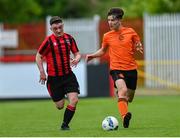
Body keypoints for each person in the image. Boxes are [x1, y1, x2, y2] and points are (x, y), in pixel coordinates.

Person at [86, 8, 143, 128]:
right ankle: (124, 117)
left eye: (113, 20)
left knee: (129, 97)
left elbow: (137, 42)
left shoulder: (131, 32)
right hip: (116, 68)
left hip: (131, 69)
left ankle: (124, 106)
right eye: (108, 20)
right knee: (122, 91)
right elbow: (102, 51)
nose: (110, 23)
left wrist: (138, 46)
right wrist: (92, 55)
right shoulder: (107, 36)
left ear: (120, 20)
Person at [36, 16, 81, 130]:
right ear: (51, 28)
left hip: (68, 76)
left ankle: (65, 125)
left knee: (74, 100)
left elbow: (77, 53)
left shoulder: (69, 39)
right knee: (60, 106)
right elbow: (38, 56)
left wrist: (77, 59)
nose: (59, 30)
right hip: (54, 79)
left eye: (60, 27)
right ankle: (60, 96)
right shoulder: (49, 41)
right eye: (55, 28)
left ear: (63, 25)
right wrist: (42, 72)